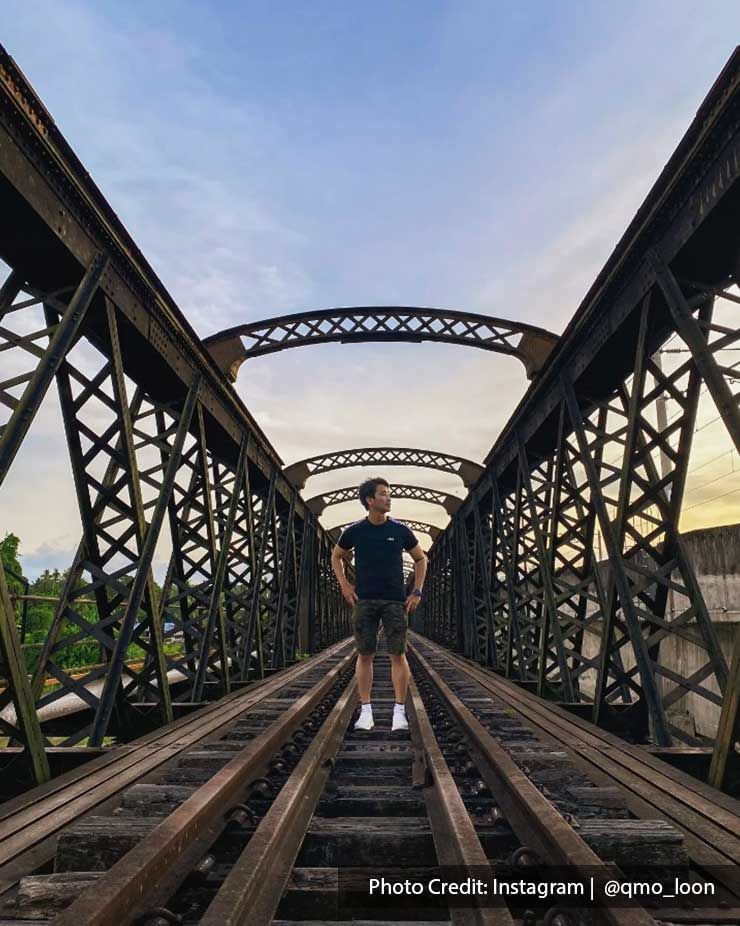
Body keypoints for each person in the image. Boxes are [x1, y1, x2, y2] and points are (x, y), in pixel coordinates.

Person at [331, 477, 427, 732]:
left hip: (395, 600)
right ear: (369, 500)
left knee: (398, 654)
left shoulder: (400, 531)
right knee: (364, 655)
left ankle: (399, 711)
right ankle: (366, 711)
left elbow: (420, 559)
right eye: (383, 494)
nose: (389, 498)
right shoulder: (355, 531)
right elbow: (336, 555)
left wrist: (416, 591)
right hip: (365, 600)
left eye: (389, 493)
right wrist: (344, 584)